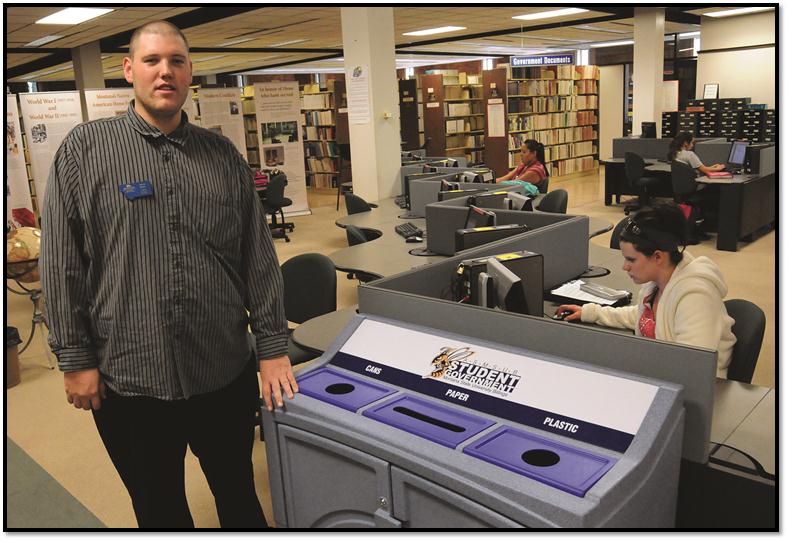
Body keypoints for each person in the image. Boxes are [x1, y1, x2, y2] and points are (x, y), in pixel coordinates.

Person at [39, 21, 297, 528]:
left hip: (221, 367)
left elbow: (257, 259)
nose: (165, 71)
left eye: (177, 61)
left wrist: (272, 347)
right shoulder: (84, 151)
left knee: (238, 496)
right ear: (129, 70)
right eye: (153, 61)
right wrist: (74, 357)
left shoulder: (221, 155)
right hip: (129, 376)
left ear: (189, 73)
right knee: (158, 510)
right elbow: (62, 264)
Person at [556, 204, 736, 378]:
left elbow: (691, 366)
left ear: (658, 256)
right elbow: (643, 316)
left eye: (631, 260)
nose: (625, 267)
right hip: (661, 376)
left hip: (697, 394)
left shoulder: (696, 298)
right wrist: (591, 312)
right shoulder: (658, 284)